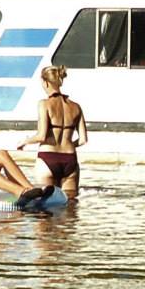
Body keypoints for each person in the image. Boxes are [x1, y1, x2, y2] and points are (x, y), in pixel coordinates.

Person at [21, 64, 87, 198]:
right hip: (70, 160)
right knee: (70, 207)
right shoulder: (76, 107)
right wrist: (67, 144)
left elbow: (41, 136)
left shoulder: (44, 104)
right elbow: (83, 139)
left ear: (45, 82)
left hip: (48, 158)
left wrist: (24, 141)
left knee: (45, 207)